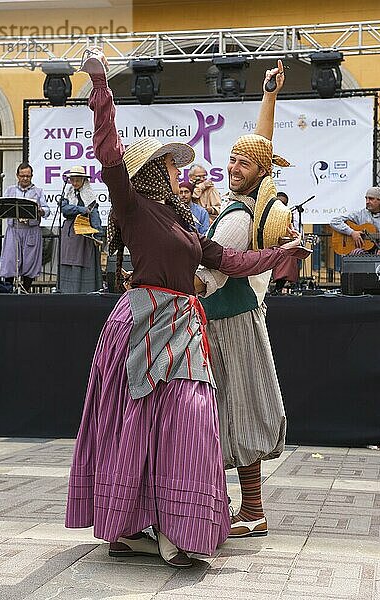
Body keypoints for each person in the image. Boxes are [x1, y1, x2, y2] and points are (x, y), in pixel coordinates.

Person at [65, 50, 305, 568]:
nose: (183, 172)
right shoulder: (133, 205)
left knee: (191, 424)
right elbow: (108, 151)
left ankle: (177, 527)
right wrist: (101, 84)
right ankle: (133, 528)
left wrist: (281, 254)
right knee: (141, 426)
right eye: (173, 165)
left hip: (181, 329)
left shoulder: (185, 225)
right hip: (143, 325)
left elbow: (234, 260)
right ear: (152, 172)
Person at [196, 60, 294, 539]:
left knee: (233, 412)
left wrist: (163, 279)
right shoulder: (250, 201)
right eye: (231, 158)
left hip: (229, 322)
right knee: (233, 412)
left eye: (243, 163)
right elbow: (264, 147)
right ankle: (249, 511)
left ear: (259, 174)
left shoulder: (239, 215)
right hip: (233, 320)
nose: (234, 166)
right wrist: (269, 97)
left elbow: (209, 278)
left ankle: (249, 511)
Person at [0, 162, 49, 293]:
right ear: (17, 176)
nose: (25, 178)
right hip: (14, 230)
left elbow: (47, 210)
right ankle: (8, 290)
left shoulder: (38, 192)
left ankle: (26, 290)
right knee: (10, 260)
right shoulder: (10, 190)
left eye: (28, 176)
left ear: (31, 176)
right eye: (22, 176)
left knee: (30, 261)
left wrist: (40, 210)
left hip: (31, 230)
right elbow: (3, 207)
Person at [60, 165, 103, 293]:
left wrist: (98, 234)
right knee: (69, 261)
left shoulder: (89, 195)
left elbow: (94, 213)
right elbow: (65, 210)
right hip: (70, 232)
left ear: (84, 180)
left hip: (84, 233)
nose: (75, 183)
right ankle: (67, 291)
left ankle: (84, 291)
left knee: (83, 260)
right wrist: (82, 210)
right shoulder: (68, 193)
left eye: (77, 180)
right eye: (72, 180)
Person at [330, 187, 380, 254]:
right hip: (362, 251)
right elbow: (334, 222)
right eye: (366, 198)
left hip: (377, 251)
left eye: (371, 199)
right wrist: (352, 232)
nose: (367, 202)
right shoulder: (360, 214)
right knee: (356, 253)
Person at [271, 192, 299, 294]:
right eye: (279, 203)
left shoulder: (290, 216)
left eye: (284, 203)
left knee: (289, 254)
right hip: (265, 244)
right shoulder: (265, 213)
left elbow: (298, 233)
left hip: (281, 245)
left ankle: (279, 287)